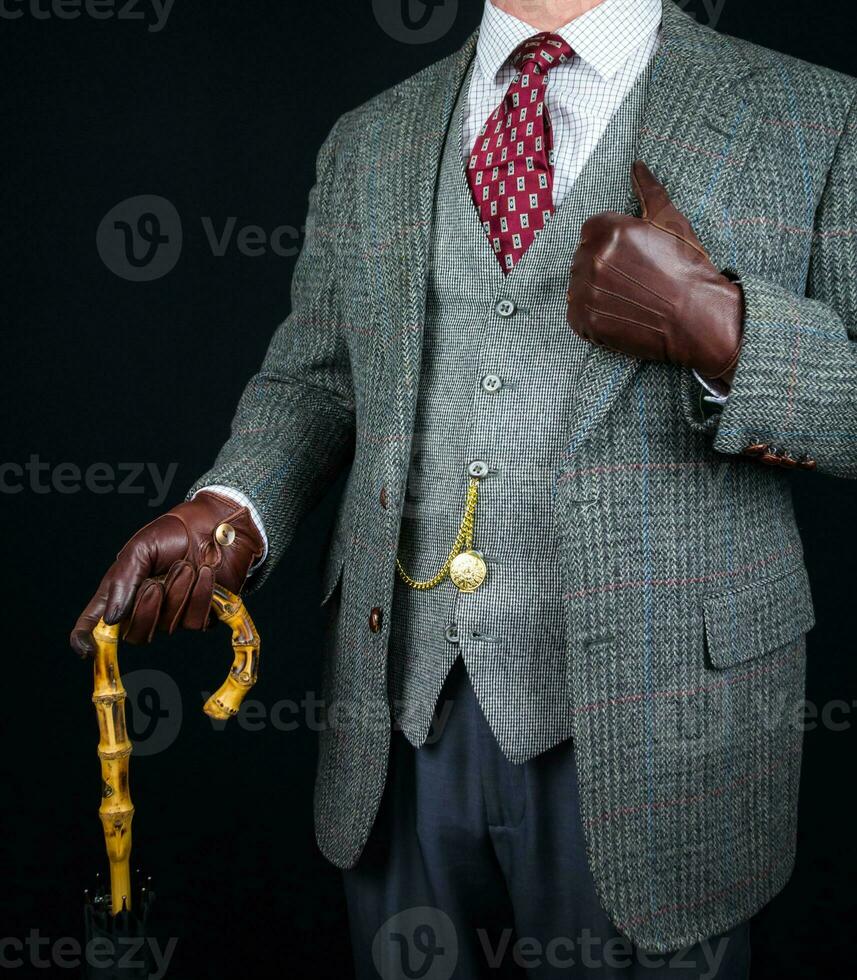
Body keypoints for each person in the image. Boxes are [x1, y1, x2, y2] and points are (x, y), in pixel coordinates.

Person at [72, 0, 857, 976]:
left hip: (663, 722)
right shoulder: (370, 137)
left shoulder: (810, 111)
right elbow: (313, 379)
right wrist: (228, 509)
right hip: (402, 715)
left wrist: (722, 326)